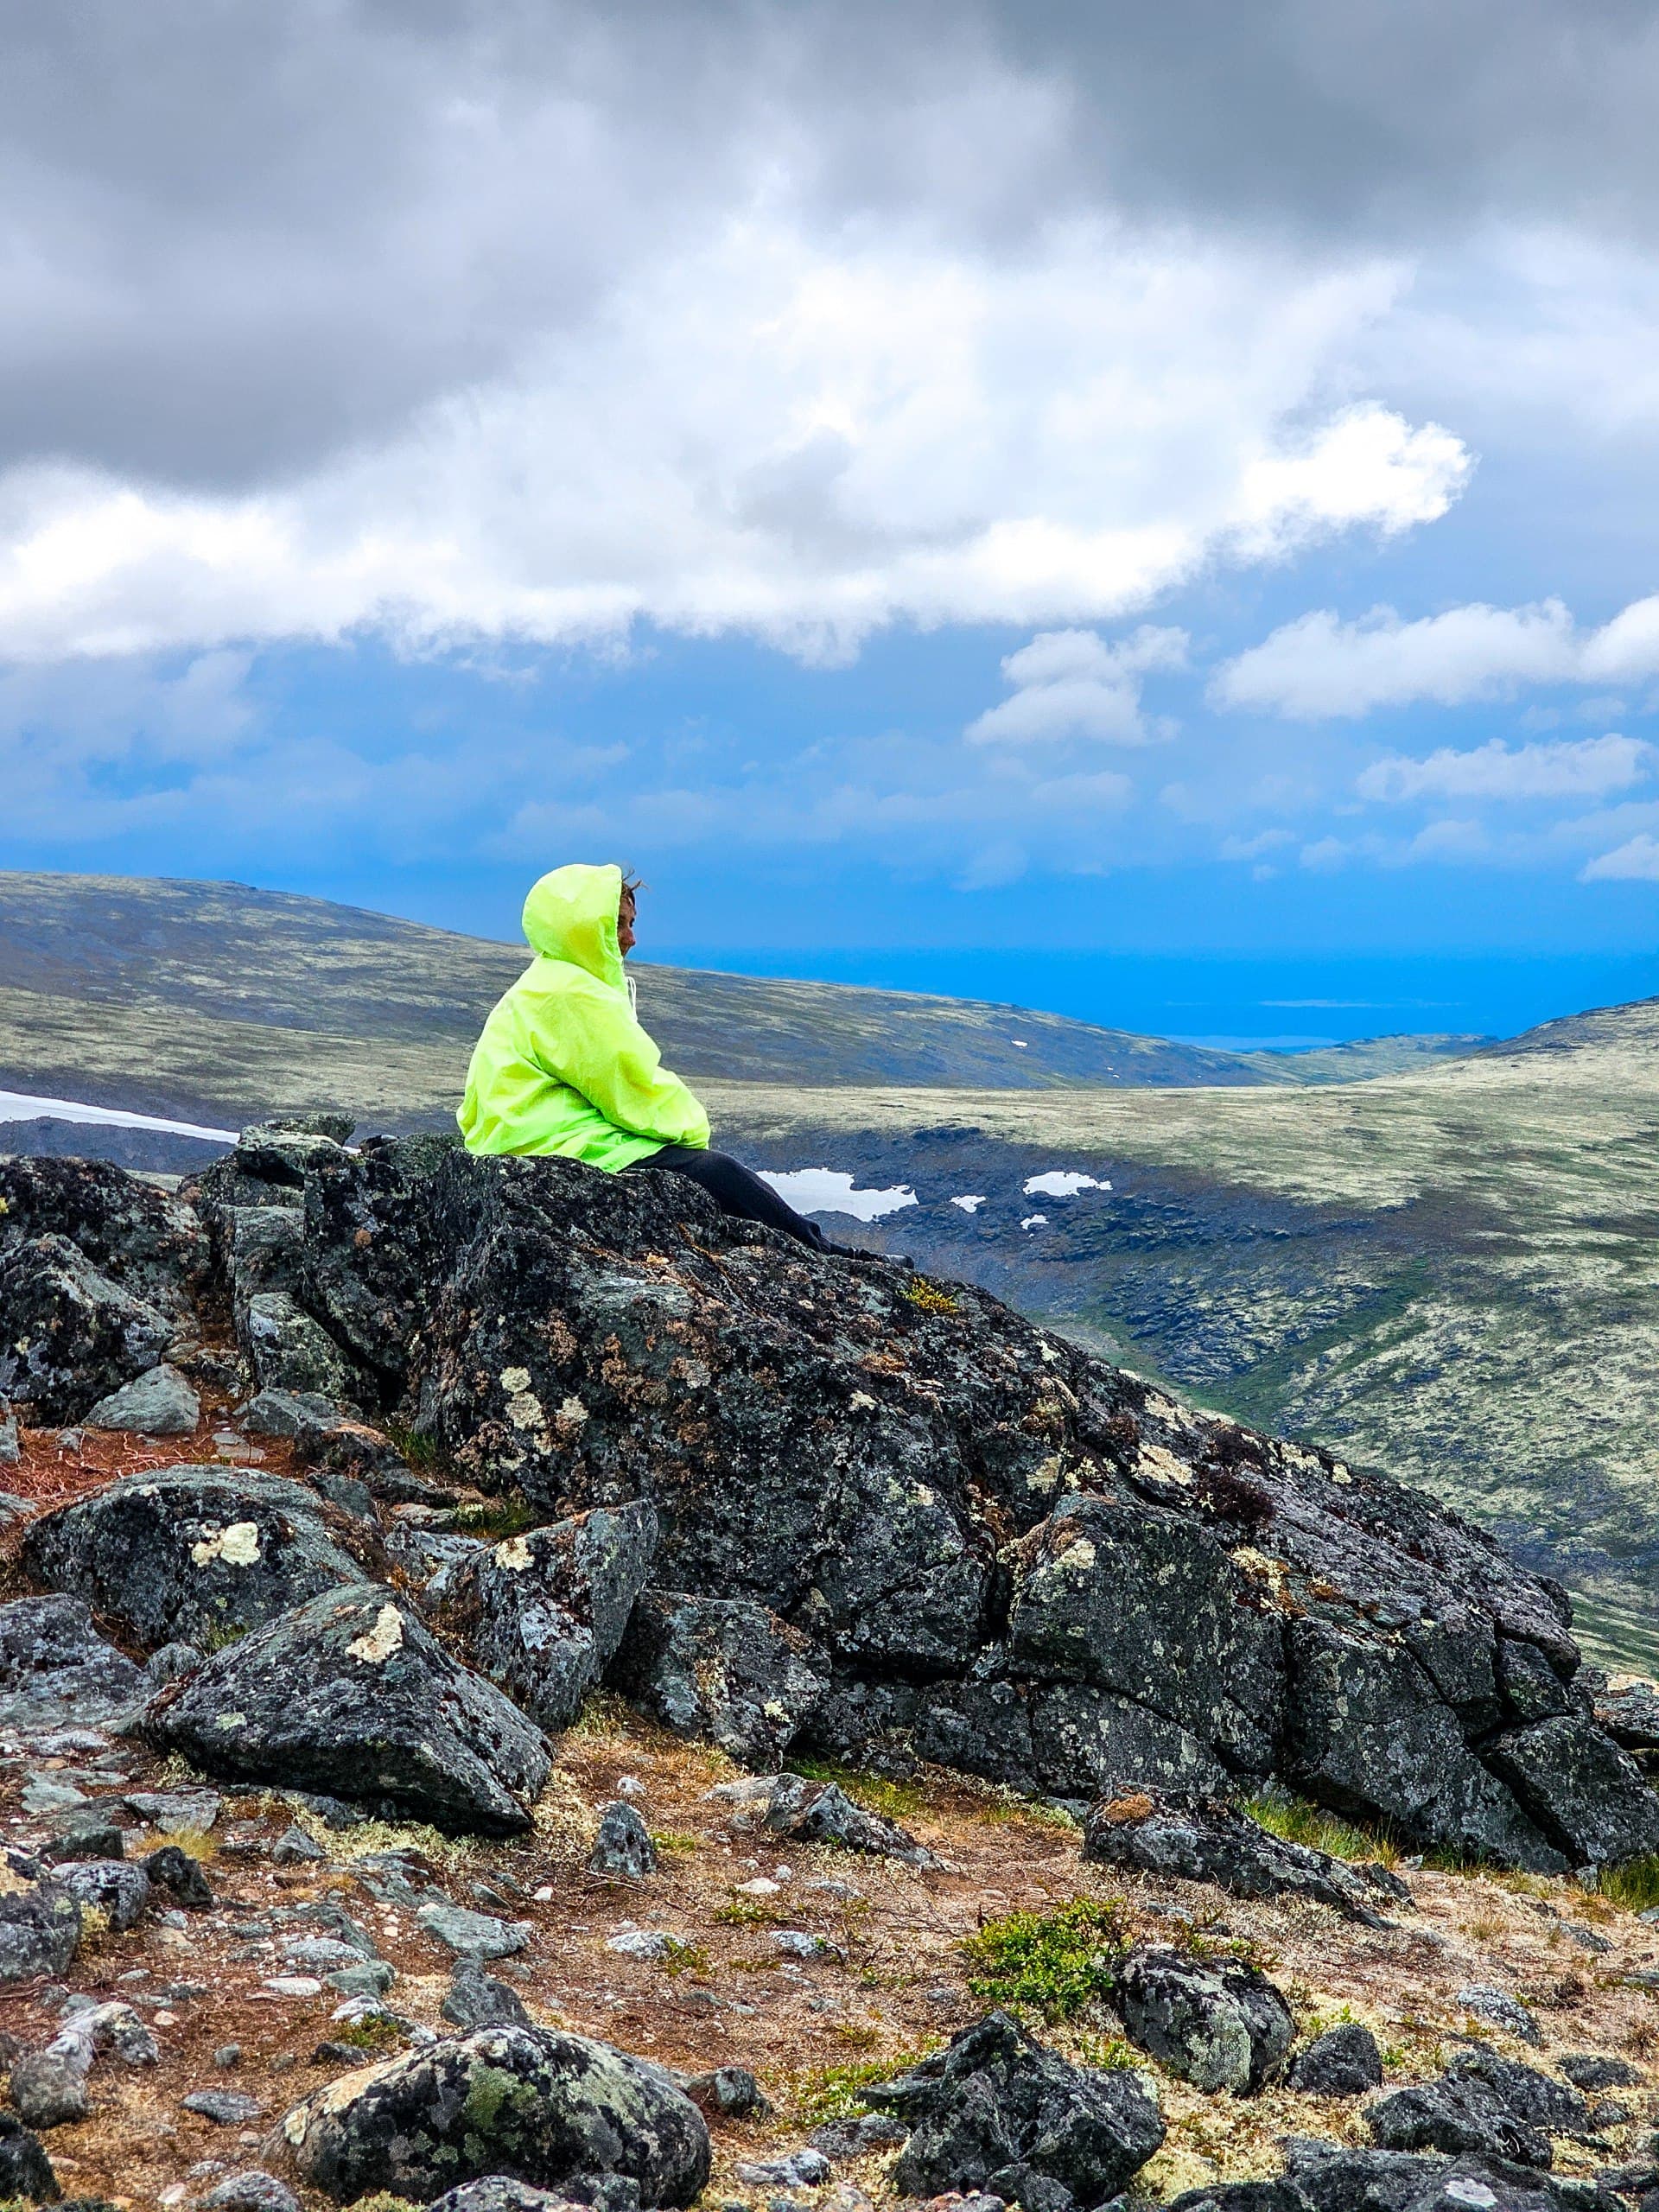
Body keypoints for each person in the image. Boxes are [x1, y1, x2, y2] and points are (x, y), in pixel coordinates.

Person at [458, 861, 855, 1254]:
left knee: (711, 1175)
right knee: (716, 1172)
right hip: (548, 1144)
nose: (630, 938)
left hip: (520, 1137)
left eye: (631, 923)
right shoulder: (570, 992)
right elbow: (630, 1085)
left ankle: (818, 1246)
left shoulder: (545, 982)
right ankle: (827, 1254)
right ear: (579, 928)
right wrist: (690, 1129)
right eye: (616, 924)